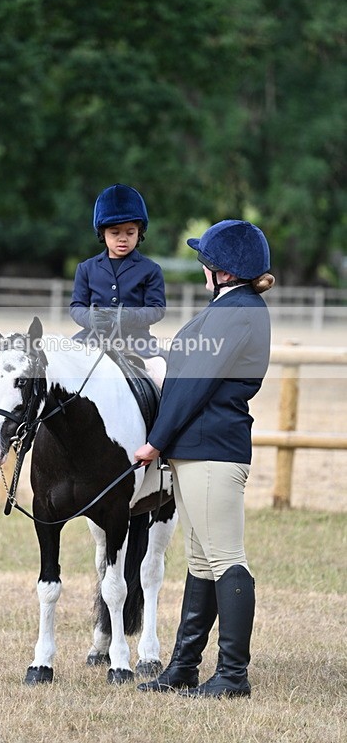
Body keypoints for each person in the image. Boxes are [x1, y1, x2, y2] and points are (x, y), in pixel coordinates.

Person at [134, 219, 275, 699]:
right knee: (199, 559)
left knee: (225, 558)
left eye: (205, 263)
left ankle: (233, 675)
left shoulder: (238, 313)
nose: (200, 269)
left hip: (213, 449)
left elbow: (194, 385)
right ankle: (183, 667)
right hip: (197, 450)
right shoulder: (231, 308)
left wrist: (155, 441)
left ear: (222, 271)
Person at [70, 183, 167, 385]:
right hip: (92, 338)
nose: (123, 239)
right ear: (102, 233)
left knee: (162, 375)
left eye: (130, 233)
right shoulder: (86, 268)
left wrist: (129, 316)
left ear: (139, 233)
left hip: (137, 343)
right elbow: (76, 307)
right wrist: (92, 319)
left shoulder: (151, 269)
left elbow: (157, 309)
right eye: (115, 233)